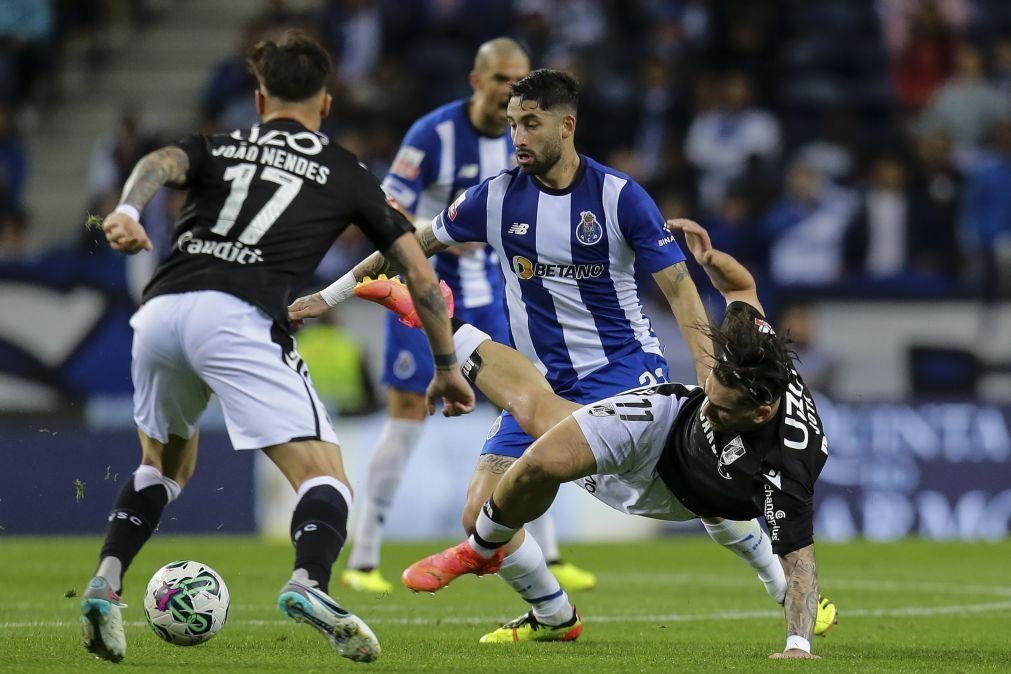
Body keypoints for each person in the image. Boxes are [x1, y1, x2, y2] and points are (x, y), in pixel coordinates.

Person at [80, 31, 473, 664]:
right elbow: (420, 277)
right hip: (237, 316)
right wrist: (448, 365)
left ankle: (105, 582)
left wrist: (127, 210)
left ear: (260, 99)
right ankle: (308, 583)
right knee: (327, 480)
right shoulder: (345, 171)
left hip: (160, 310)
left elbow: (158, 163)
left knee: (164, 465)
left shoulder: (221, 145)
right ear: (326, 103)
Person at [289, 69, 721, 643]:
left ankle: (791, 585)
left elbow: (680, 288)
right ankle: (554, 615)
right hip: (536, 380)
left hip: (624, 373)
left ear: (566, 126)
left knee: (694, 486)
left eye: (531, 123)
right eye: (513, 123)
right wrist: (329, 295)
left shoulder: (619, 196)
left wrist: (711, 378)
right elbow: (406, 246)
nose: (517, 135)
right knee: (482, 510)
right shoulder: (495, 198)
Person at [353, 218, 837, 657]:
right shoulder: (758, 358)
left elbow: (801, 561)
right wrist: (710, 261)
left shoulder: (785, 465)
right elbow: (742, 286)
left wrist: (798, 645)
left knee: (717, 496)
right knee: (540, 415)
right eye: (713, 393)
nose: (712, 406)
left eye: (724, 407)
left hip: (668, 487)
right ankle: (429, 313)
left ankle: (435, 319)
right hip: (664, 417)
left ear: (763, 411)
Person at [342, 38, 593, 596]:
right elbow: (388, 204)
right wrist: (434, 236)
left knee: (527, 409)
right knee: (407, 412)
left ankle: (547, 552)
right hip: (425, 293)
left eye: (522, 79)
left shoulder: (528, 137)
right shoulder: (433, 134)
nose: (514, 89)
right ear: (477, 81)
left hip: (494, 294)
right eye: (504, 79)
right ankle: (363, 557)